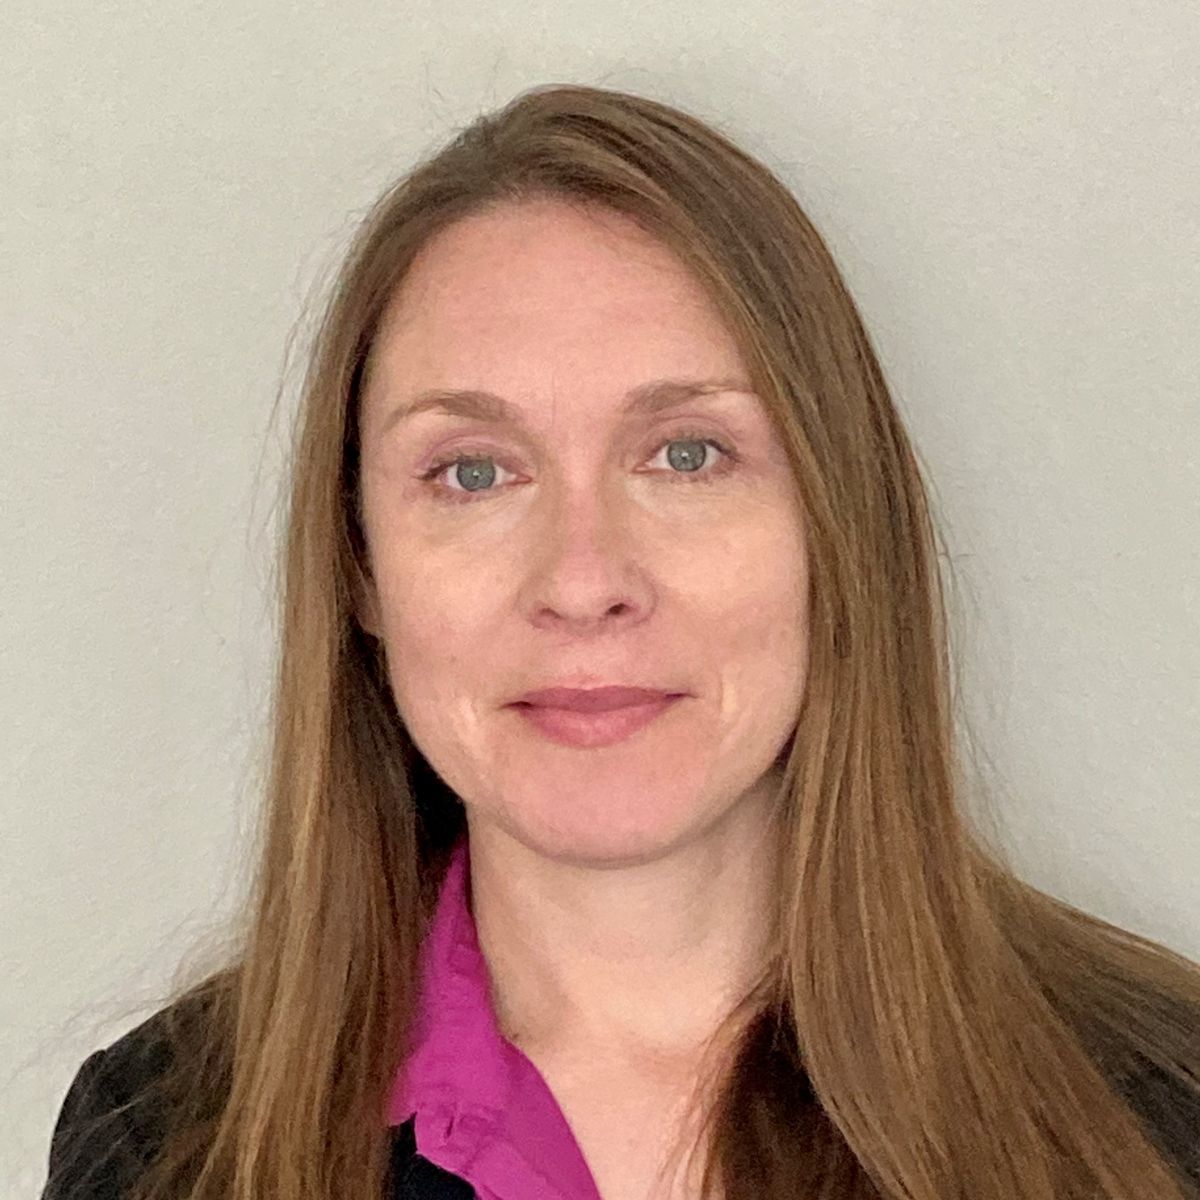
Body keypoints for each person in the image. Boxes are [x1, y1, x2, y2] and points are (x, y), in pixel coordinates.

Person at [41, 82, 1200, 1200]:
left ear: (838, 527)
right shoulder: (159, 1142)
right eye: (473, 472)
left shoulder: (1166, 1104)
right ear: (361, 569)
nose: (584, 581)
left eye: (687, 454)